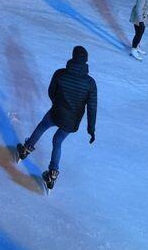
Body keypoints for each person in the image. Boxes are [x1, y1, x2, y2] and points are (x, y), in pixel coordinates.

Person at [16, 46, 97, 191]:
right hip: (72, 120)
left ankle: (25, 150)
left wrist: (57, 103)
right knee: (58, 141)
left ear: (72, 57)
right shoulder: (90, 83)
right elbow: (92, 107)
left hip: (57, 112)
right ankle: (52, 173)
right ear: (86, 61)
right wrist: (91, 129)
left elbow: (51, 92)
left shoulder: (60, 74)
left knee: (42, 126)